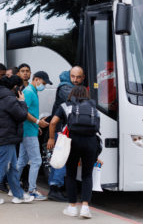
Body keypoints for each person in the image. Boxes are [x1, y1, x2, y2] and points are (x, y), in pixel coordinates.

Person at [48, 86, 99, 219]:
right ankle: (85, 207)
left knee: (70, 174)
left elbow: (53, 122)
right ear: (86, 95)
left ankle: (72, 207)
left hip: (72, 142)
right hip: (90, 142)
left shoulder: (65, 105)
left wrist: (51, 138)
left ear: (71, 94)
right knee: (87, 175)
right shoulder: (93, 106)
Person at [0, 75, 34, 205]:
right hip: (4, 138)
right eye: (21, 87)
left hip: (2, 137)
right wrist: (22, 101)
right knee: (2, 166)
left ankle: (19, 195)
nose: (21, 89)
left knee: (12, 168)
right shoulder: (9, 99)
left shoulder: (0, 95)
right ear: (16, 87)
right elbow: (21, 115)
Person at [47, 66, 85, 202]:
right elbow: (75, 101)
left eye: (78, 77)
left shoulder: (71, 86)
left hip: (63, 129)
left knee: (59, 158)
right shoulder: (65, 87)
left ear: (83, 77)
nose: (75, 80)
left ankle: (54, 187)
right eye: (73, 76)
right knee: (62, 159)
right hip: (62, 130)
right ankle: (55, 188)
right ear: (69, 75)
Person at [17, 71, 52, 201]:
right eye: (43, 83)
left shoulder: (31, 91)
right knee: (36, 161)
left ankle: (13, 187)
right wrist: (38, 122)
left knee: (21, 161)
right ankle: (32, 190)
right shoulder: (29, 92)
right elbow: (23, 112)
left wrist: (36, 125)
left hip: (29, 130)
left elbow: (28, 112)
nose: (44, 86)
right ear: (36, 79)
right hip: (28, 132)